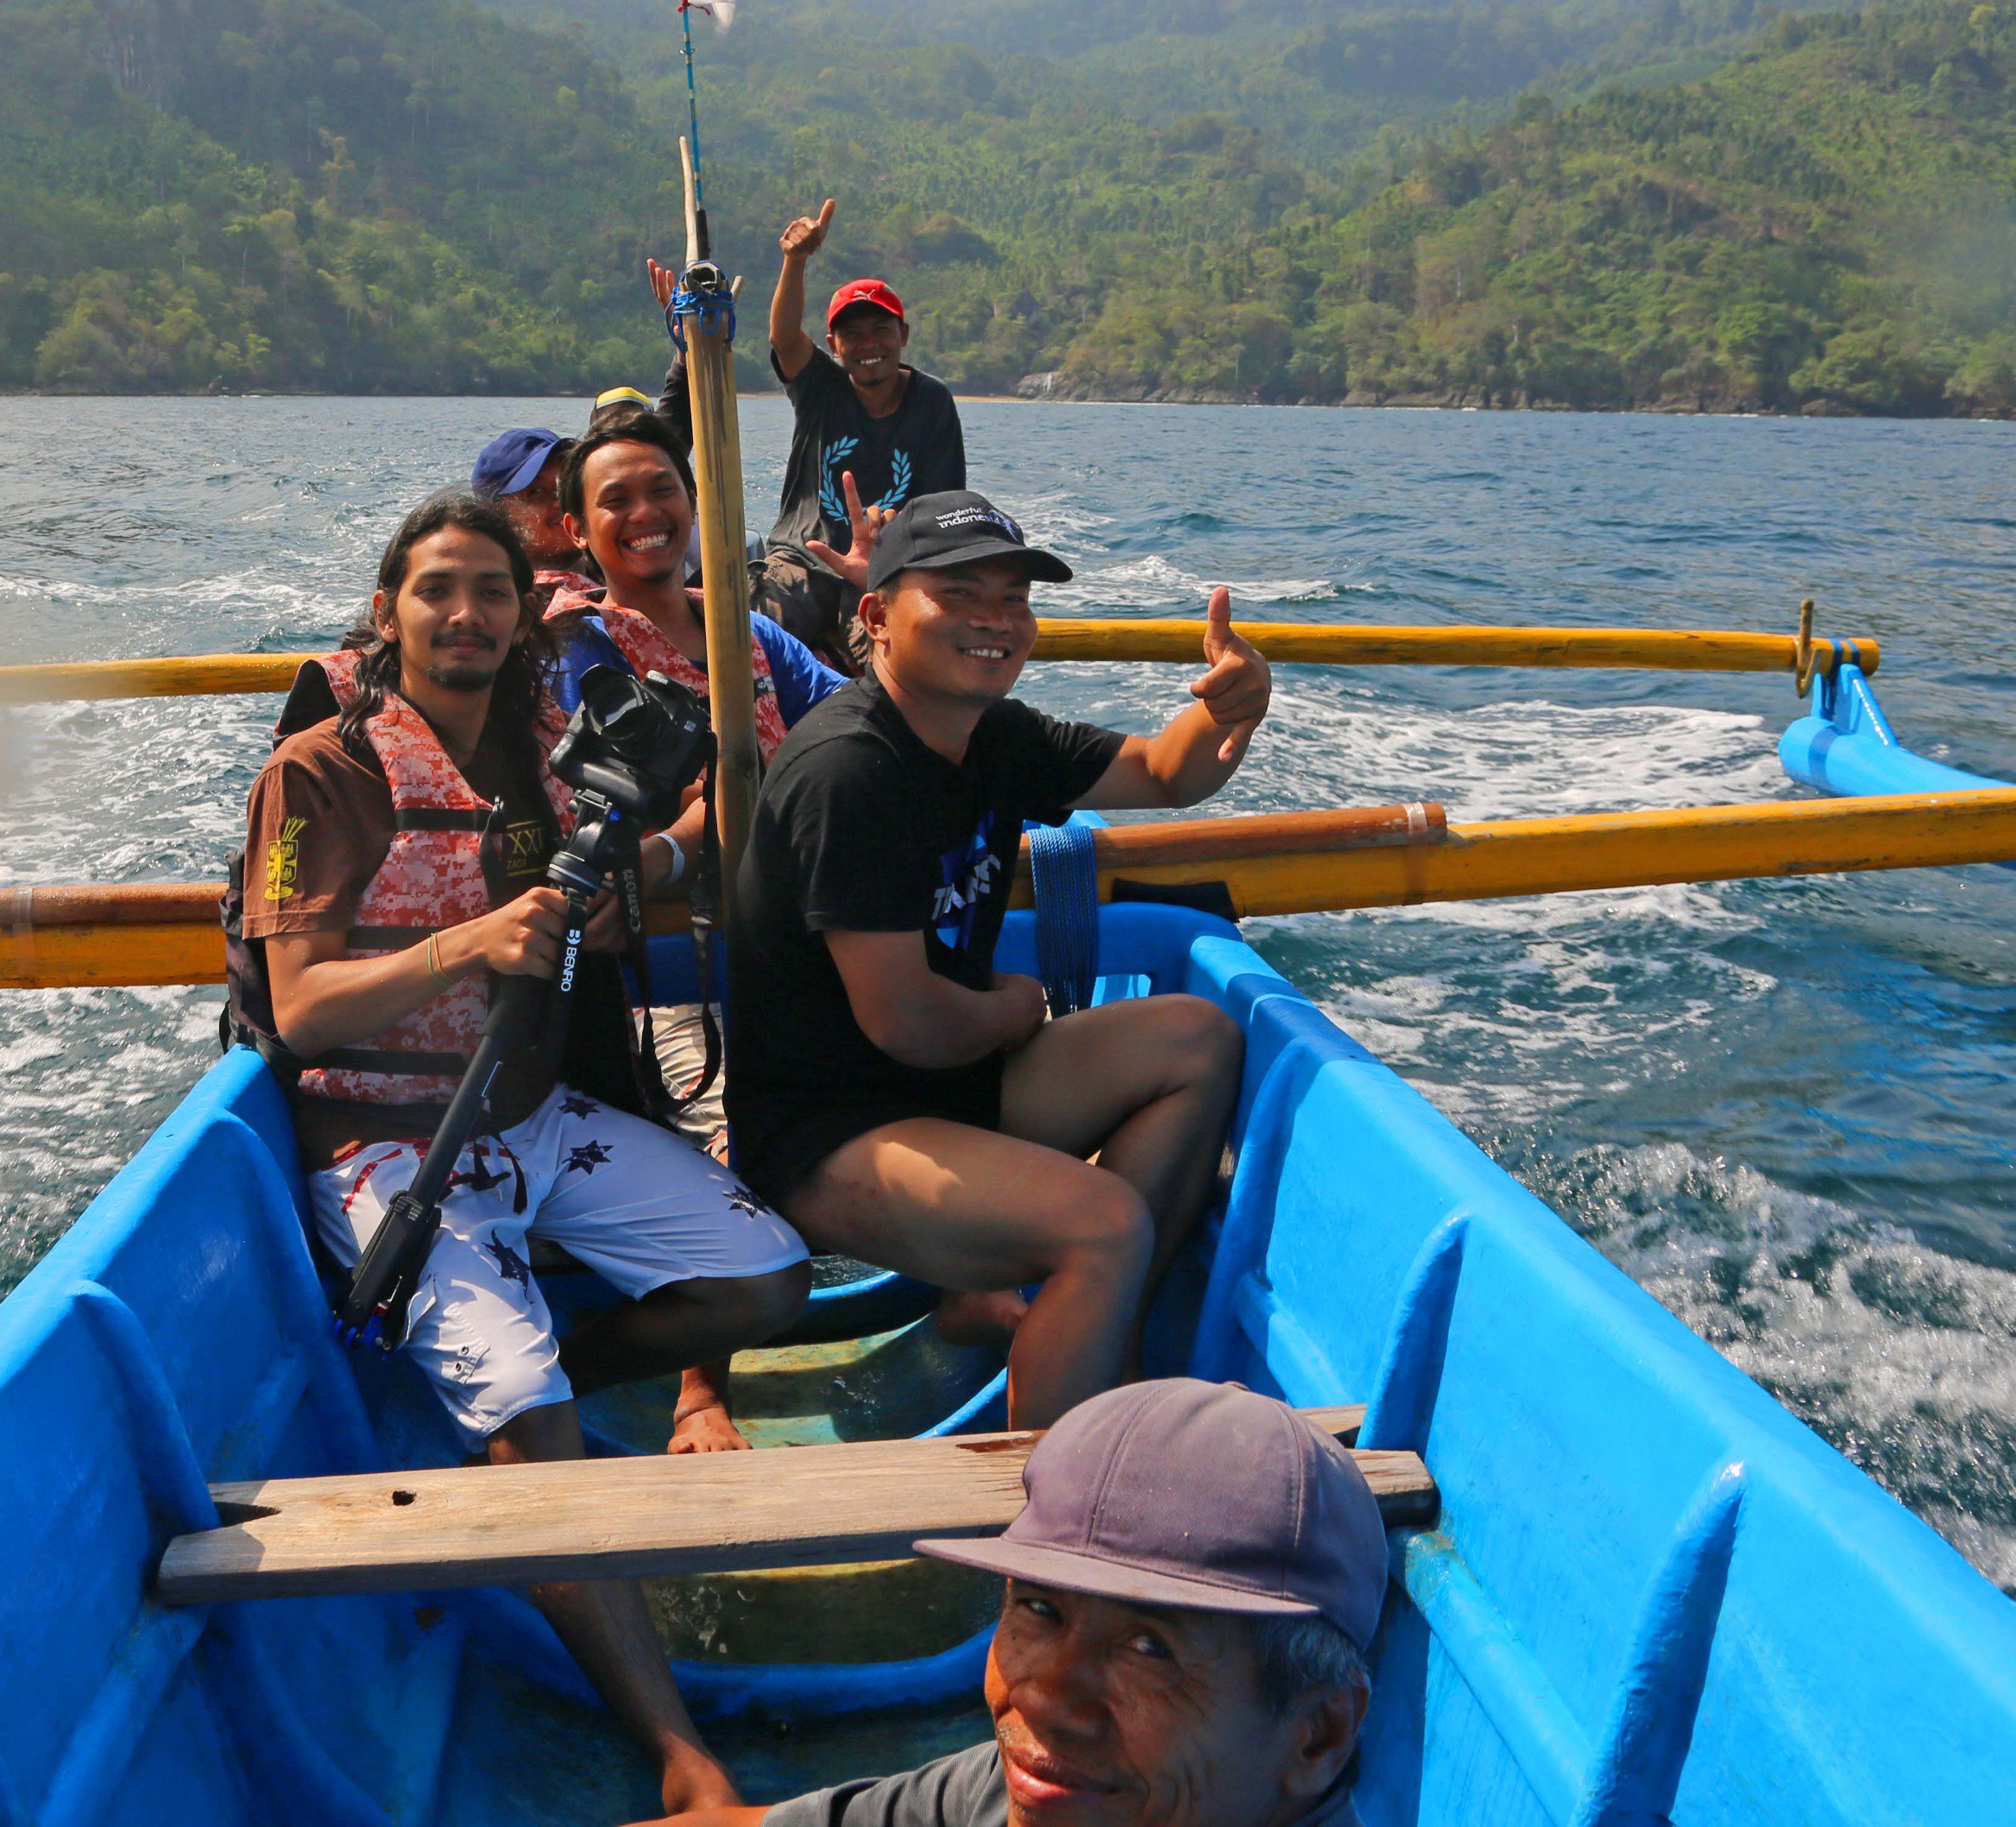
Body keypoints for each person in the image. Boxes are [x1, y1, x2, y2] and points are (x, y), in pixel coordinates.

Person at [234, 487, 809, 1817]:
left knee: (772, 1278)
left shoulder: (546, 761)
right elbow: (303, 1004)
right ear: (390, 614)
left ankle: (536, 1389)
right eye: (438, 589)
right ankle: (678, 1751)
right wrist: (466, 946)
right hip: (387, 1145)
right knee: (538, 1430)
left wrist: (643, 881)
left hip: (532, 1121)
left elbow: (604, 899)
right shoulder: (316, 773)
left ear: (520, 616)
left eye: (493, 590)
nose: (467, 614)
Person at [723, 490, 1274, 1431]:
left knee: (1195, 1036)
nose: (995, 620)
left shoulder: (993, 736)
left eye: (1014, 599)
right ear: (874, 615)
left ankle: (1079, 1325)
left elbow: (1163, 772)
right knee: (1100, 1222)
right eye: (958, 592)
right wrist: (1019, 1008)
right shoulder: (848, 772)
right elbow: (906, 1021)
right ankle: (1042, 1544)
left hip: (952, 1087)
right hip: (831, 1133)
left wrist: (1236, 709)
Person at [625, 1379, 1386, 1827]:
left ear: (1317, 1735)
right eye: (1040, 1611)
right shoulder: (1049, 1785)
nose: (1049, 1699)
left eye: (1150, 1647)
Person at [541, 404, 847, 1452]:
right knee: (712, 1102)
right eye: (612, 499)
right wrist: (675, 848)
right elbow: (573, 797)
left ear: (695, 503)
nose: (643, 513)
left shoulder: (745, 633)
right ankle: (695, 1388)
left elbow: (854, 726)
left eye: (661, 488)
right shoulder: (570, 650)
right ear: (578, 531)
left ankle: (971, 1279)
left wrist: (885, 604)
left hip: (765, 934)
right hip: (644, 952)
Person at [657, 199, 966, 668]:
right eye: (852, 335)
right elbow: (784, 336)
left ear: (903, 334)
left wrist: (897, 556)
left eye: (880, 330)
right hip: (800, 562)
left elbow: (942, 506)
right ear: (832, 346)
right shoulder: (822, 386)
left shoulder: (932, 402)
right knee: (732, 641)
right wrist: (795, 260)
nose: (868, 345)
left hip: (885, 570)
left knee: (905, 667)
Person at [473, 425, 580, 576]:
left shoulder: (617, 569)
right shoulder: (497, 594)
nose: (562, 501)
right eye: (537, 492)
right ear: (498, 515)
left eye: (568, 485)